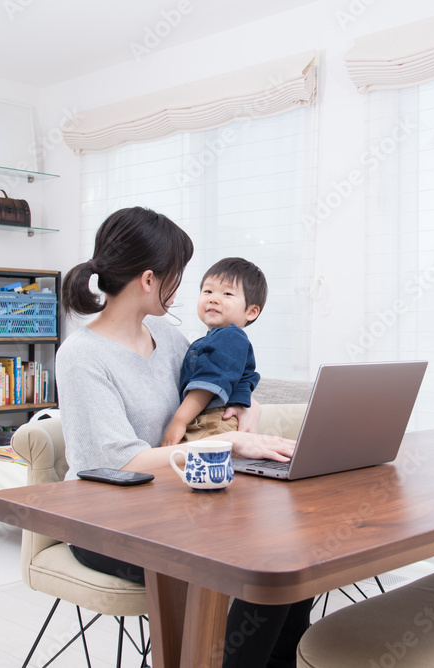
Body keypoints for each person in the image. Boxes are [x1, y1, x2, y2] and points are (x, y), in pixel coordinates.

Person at [56, 206, 312, 668]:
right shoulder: (82, 356)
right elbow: (123, 463)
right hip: (106, 523)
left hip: (176, 503)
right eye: (180, 276)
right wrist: (227, 444)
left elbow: (215, 383)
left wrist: (243, 408)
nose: (186, 290)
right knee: (258, 570)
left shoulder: (166, 336)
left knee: (291, 557)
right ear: (150, 280)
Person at [161, 257, 267, 446]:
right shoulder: (212, 339)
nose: (213, 298)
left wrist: (179, 421)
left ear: (251, 312)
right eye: (208, 291)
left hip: (213, 420)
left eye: (227, 293)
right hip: (210, 420)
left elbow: (207, 384)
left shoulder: (230, 337)